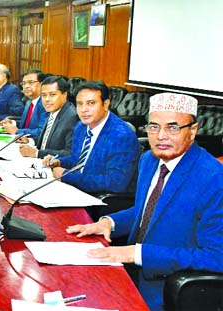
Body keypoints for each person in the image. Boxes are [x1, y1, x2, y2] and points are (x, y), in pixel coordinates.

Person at [66, 93, 223, 310]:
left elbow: (217, 257)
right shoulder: (149, 160)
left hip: (168, 291)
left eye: (173, 127)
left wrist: (137, 253)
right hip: (126, 274)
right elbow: (147, 211)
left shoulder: (214, 178)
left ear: (193, 131)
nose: (161, 136)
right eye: (154, 127)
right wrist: (108, 223)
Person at [44, 81, 139, 193]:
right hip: (75, 190)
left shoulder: (121, 136)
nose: (84, 109)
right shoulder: (81, 126)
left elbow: (115, 183)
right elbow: (79, 161)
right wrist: (59, 161)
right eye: (80, 104)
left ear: (106, 104)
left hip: (99, 200)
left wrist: (66, 176)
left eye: (91, 103)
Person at [18, 75, 77, 159]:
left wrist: (37, 153)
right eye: (44, 95)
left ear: (64, 95)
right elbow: (48, 138)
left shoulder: (72, 117)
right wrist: (30, 140)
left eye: (52, 95)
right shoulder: (54, 110)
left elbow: (69, 153)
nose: (47, 99)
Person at [1, 69, 49, 140]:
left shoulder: (46, 103)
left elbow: (42, 131)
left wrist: (17, 131)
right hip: (22, 141)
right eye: (24, 83)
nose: (26, 86)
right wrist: (13, 123)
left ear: (42, 84)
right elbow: (28, 124)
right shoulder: (29, 101)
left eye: (31, 82)